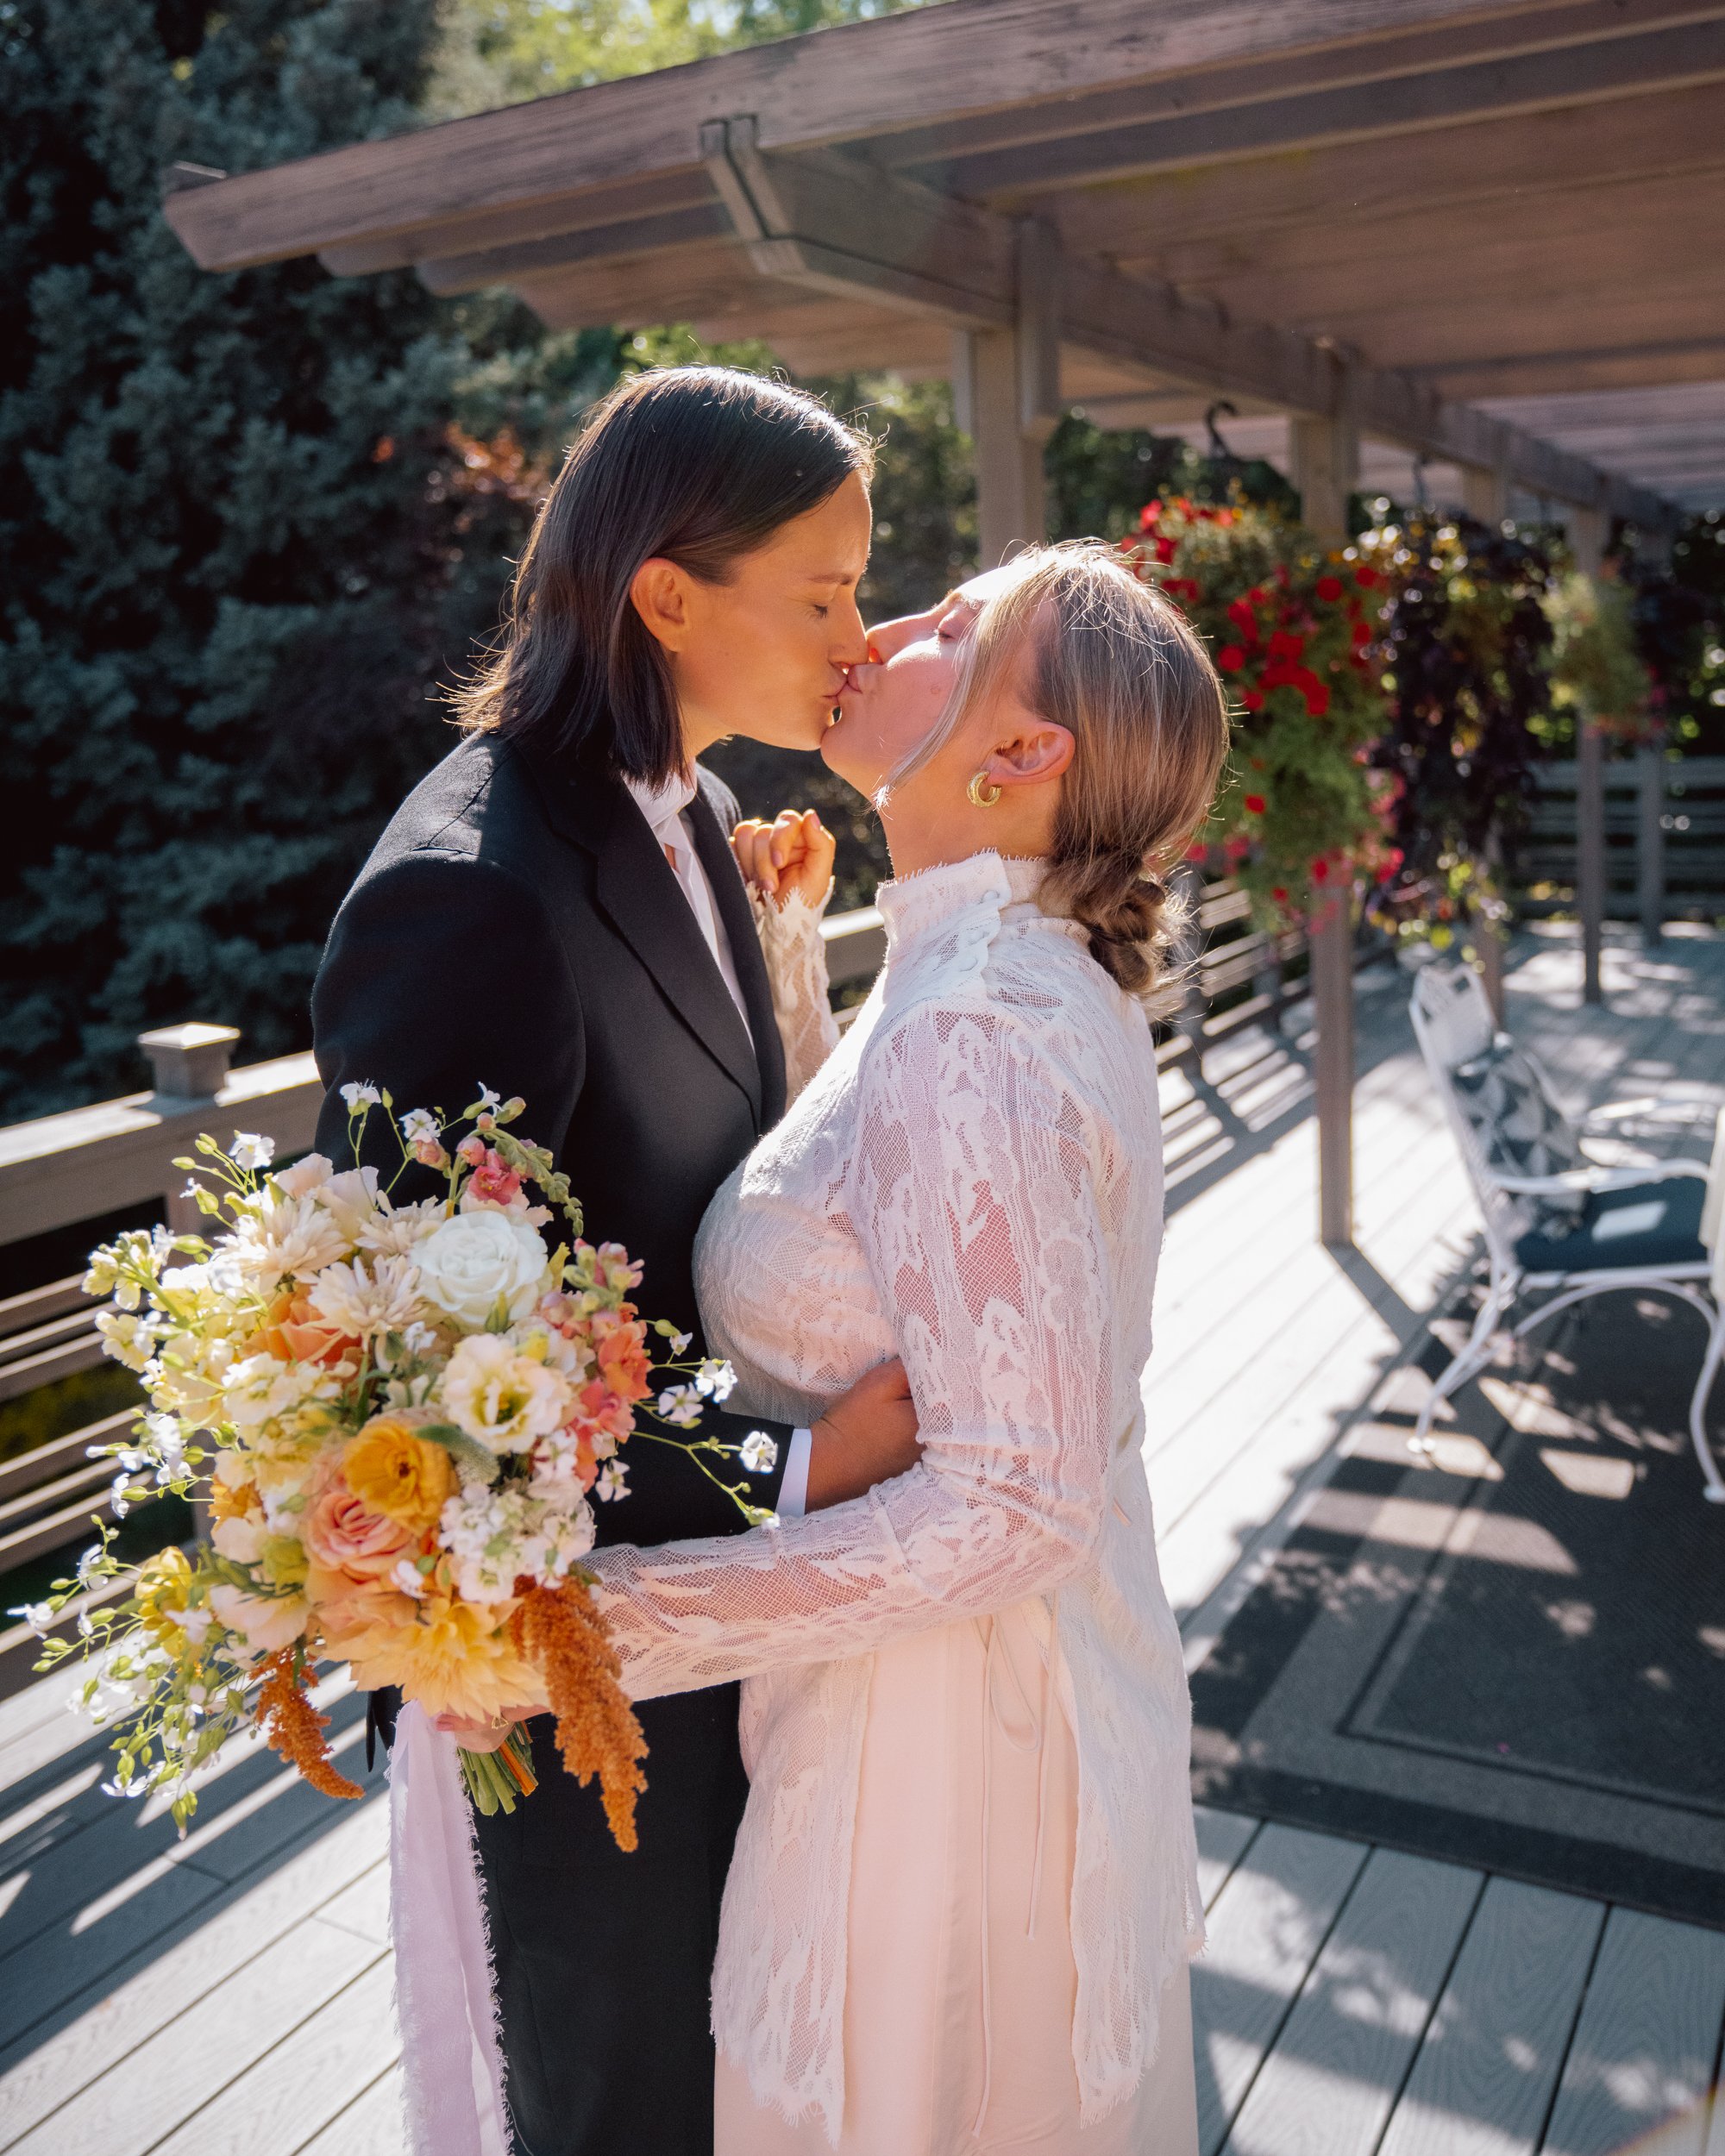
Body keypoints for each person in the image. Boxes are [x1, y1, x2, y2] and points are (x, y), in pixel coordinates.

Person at [309, 367, 923, 2156]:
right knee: (623, 2104)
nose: (858, 634)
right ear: (666, 593)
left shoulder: (686, 821)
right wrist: (805, 1460)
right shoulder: (471, 895)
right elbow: (430, 1407)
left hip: (731, 1634)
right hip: (577, 1671)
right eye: (822, 592)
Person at [570, 542, 1233, 2153]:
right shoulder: (971, 965)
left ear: (1024, 756)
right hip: (959, 1689)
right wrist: (794, 960)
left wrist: (604, 1627)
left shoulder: (975, 1027)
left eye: (951, 625)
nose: (885, 625)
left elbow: (1014, 1503)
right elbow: (887, 1237)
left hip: (950, 1756)